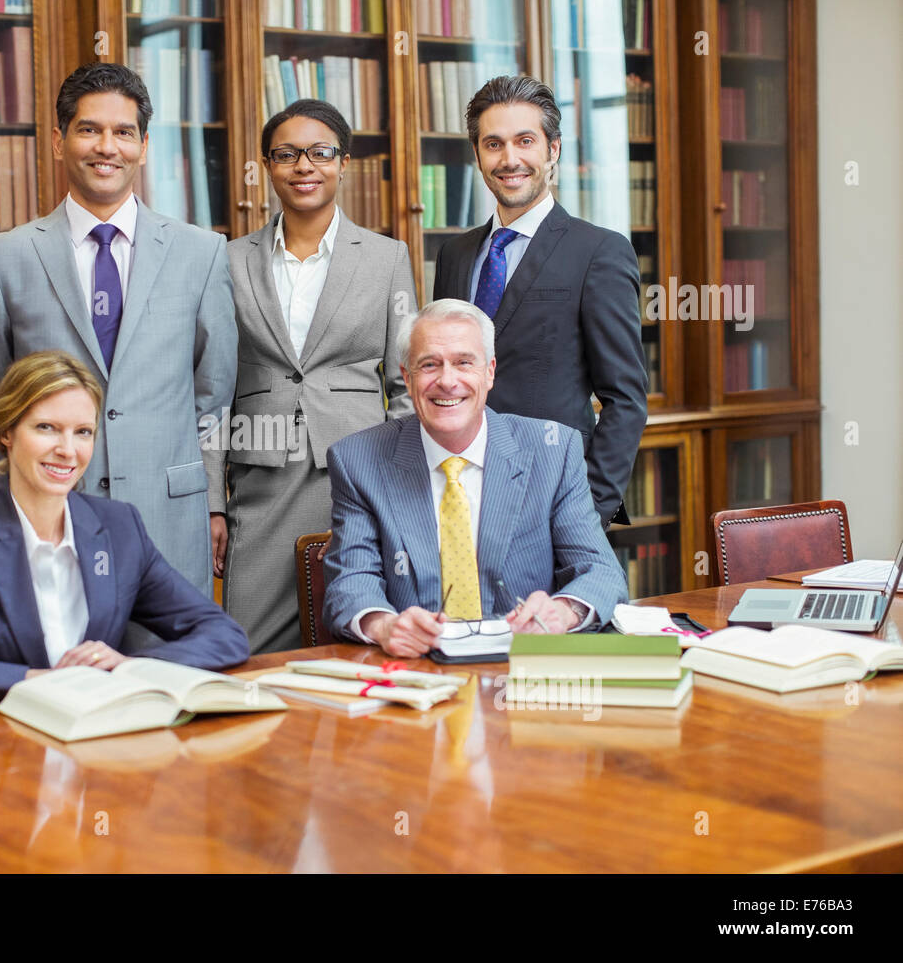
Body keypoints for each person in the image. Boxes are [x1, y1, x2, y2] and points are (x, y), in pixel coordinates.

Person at [0, 62, 236, 599]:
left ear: (142, 145)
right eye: (89, 129)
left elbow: (214, 391)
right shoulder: (4, 258)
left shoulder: (200, 252)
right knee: (65, 675)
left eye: (122, 132)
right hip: (50, 518)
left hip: (169, 518)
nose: (105, 147)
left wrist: (212, 500)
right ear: (58, 141)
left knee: (171, 676)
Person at [0, 351, 248, 706]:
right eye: (47, 428)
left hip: (98, 739)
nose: (68, 450)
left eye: (83, 432)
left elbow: (224, 636)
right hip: (0, 748)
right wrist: (32, 680)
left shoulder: (120, 529)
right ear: (7, 432)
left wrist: (130, 666)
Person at [205, 99, 416, 654]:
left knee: (359, 635)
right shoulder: (226, 260)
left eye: (320, 152)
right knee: (249, 647)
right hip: (259, 476)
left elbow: (405, 383)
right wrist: (211, 501)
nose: (304, 165)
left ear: (343, 163)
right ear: (267, 167)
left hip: (359, 474)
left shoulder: (386, 258)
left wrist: (401, 482)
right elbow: (209, 387)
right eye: (287, 154)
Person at [322, 300, 628, 659]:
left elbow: (601, 572)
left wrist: (560, 612)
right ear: (406, 377)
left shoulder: (552, 450)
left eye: (464, 362)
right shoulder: (358, 460)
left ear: (489, 372)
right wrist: (384, 625)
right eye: (429, 365)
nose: (447, 381)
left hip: (523, 670)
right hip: (417, 674)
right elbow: (349, 583)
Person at [432, 75, 647, 528]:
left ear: (553, 150)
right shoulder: (455, 255)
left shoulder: (599, 252)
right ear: (477, 155)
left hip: (555, 501)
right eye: (493, 144)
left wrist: (587, 513)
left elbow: (625, 398)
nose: (509, 159)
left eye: (525, 141)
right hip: (457, 496)